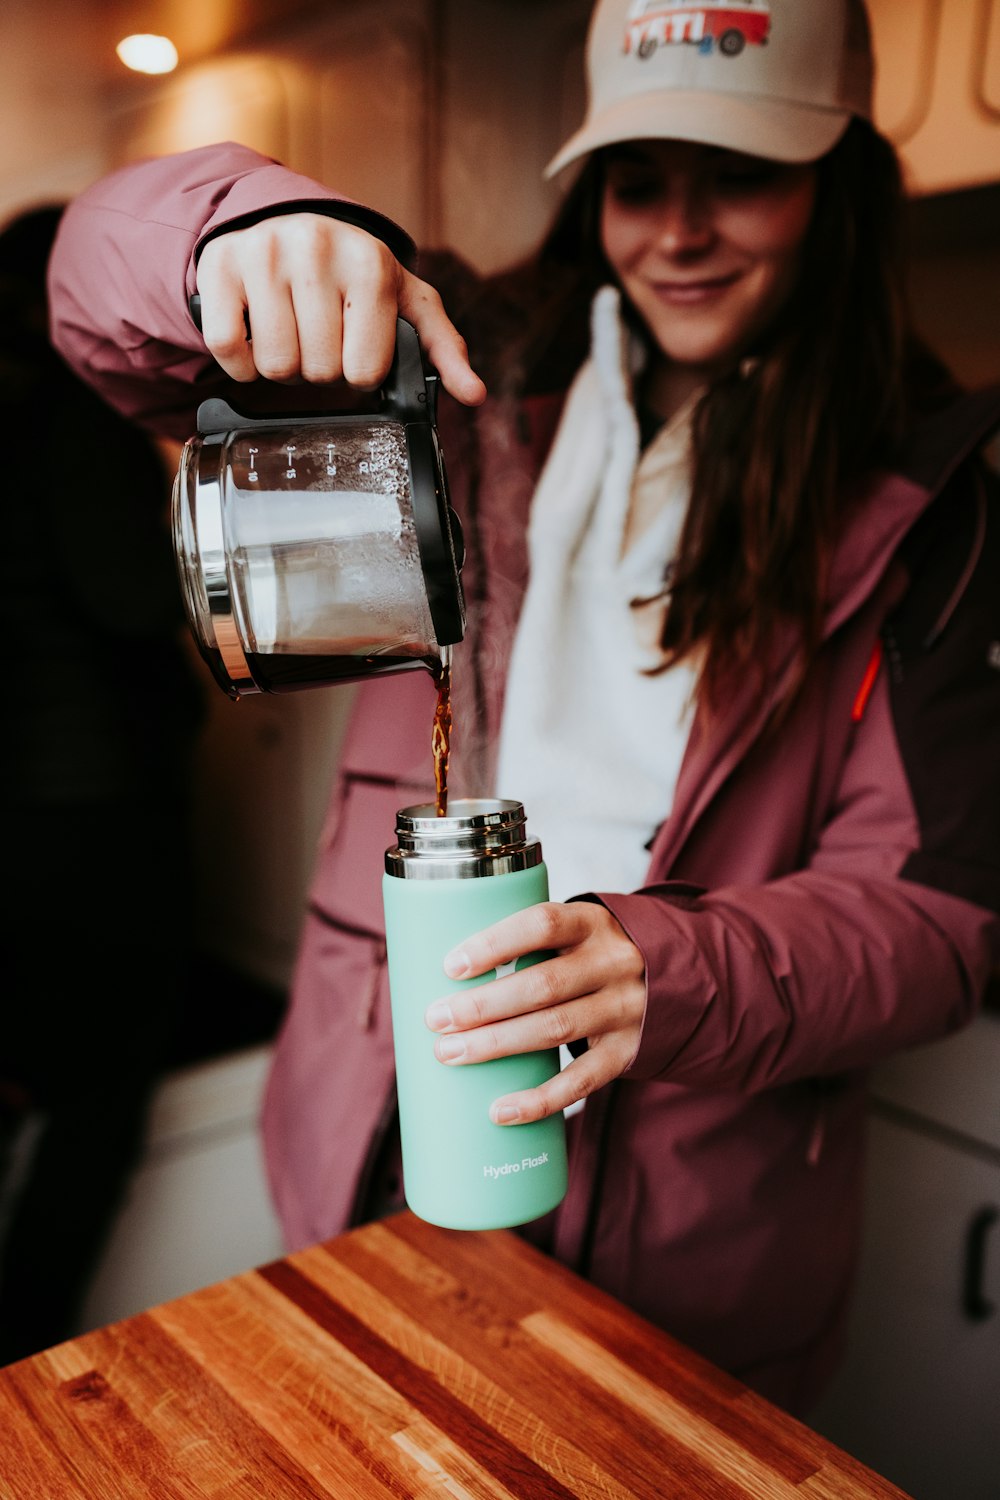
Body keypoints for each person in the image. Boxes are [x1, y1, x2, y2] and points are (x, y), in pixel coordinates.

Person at [47, 0, 1000, 1413]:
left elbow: (945, 916)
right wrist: (233, 227)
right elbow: (91, 300)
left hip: (703, 1216)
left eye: (740, 174)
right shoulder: (449, 371)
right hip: (383, 1137)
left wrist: (666, 973)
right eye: (638, 178)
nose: (678, 230)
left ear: (839, 185)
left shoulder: (930, 501)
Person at [0, 205, 204, 1363]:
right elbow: (134, 599)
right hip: (93, 808)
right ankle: (26, 1359)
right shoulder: (73, 420)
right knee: (100, 1098)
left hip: (15, 815)